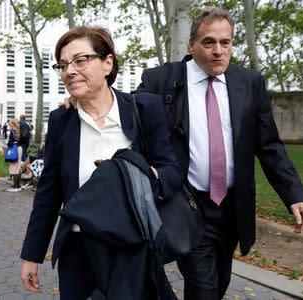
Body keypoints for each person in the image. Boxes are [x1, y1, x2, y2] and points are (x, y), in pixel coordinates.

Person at [135, 7, 303, 300]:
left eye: (225, 42)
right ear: (192, 45)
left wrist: (295, 194)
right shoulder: (161, 80)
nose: (219, 51)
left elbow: (268, 146)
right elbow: (126, 115)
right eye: (209, 42)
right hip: (187, 204)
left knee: (218, 281)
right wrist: (83, 100)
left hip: (232, 207)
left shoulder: (249, 83)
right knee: (203, 286)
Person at [19, 26, 182, 299]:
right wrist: (31, 255)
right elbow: (48, 195)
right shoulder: (61, 121)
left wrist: (134, 174)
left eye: (80, 60)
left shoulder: (144, 110)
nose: (69, 71)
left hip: (133, 250)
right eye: (63, 64)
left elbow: (172, 174)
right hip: (77, 251)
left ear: (108, 63)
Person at [6, 118, 23, 192]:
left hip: (13, 150)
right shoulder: (19, 131)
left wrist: (7, 142)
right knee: (18, 166)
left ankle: (15, 186)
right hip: (19, 149)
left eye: (11, 123)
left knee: (14, 167)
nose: (10, 124)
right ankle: (18, 185)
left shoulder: (12, 132)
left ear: (13, 124)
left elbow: (10, 143)